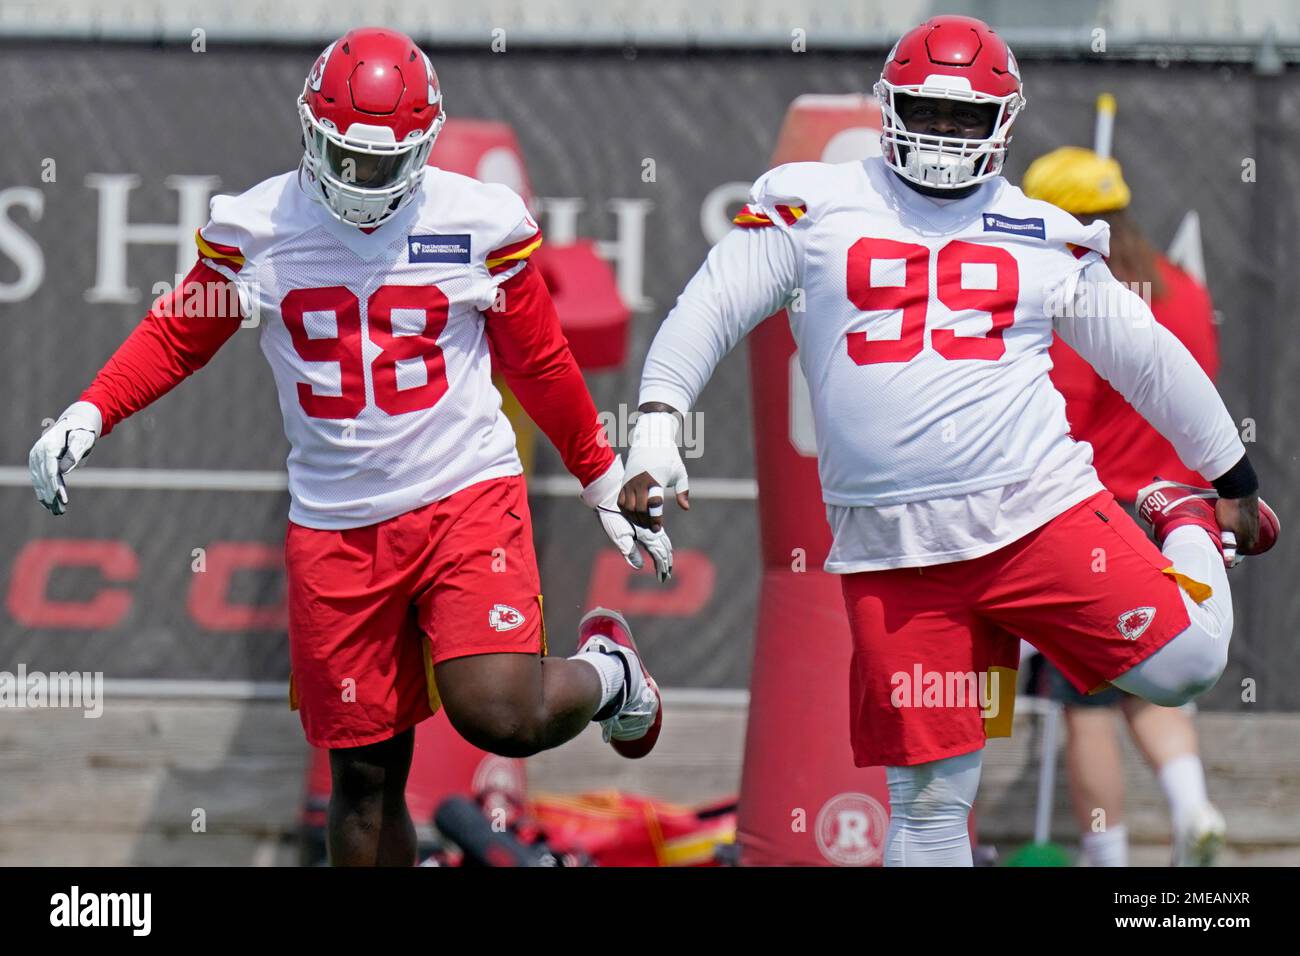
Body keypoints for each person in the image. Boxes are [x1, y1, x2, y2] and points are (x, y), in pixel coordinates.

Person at [614, 14, 1278, 866]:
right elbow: (708, 307)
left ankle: (1175, 514)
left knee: (1185, 664)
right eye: (928, 110)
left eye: (967, 117)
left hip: (1038, 515)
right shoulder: (812, 200)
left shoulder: (1043, 230)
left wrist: (1227, 477)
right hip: (897, 554)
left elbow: (1147, 359)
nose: (945, 133)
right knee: (928, 811)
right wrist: (661, 423)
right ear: (889, 105)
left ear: (1003, 123)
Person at [27, 27, 671, 867]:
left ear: (425, 148)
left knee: (499, 714)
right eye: (344, 156)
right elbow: (181, 334)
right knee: (362, 786)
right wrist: (91, 409)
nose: (361, 180)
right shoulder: (259, 227)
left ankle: (611, 673)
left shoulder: (475, 221)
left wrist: (600, 475)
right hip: (335, 524)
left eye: (383, 162)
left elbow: (539, 359)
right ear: (309, 130)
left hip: (462, 493)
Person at [1023, 146, 1227, 866]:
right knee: (1155, 683)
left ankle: (1105, 860)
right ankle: (1192, 807)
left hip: (1099, 520)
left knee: (1087, 709)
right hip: (1180, 521)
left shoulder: (1077, 292)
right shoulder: (1185, 290)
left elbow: (1062, 414)